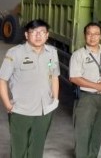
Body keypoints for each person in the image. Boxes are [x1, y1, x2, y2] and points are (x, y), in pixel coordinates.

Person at [0, 19, 60, 158]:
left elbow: (54, 76)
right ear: (27, 35)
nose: (38, 36)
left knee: (37, 148)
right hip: (21, 110)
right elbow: (2, 80)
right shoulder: (15, 53)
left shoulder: (51, 53)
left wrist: (55, 100)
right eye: (34, 32)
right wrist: (7, 104)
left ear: (47, 35)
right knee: (18, 149)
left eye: (42, 32)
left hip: (45, 110)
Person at [69, 22, 101, 158]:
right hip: (86, 97)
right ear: (85, 36)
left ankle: (93, 155)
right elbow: (74, 78)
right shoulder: (78, 55)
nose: (92, 37)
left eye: (96, 34)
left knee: (98, 129)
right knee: (82, 130)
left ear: (100, 36)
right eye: (89, 34)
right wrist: (97, 86)